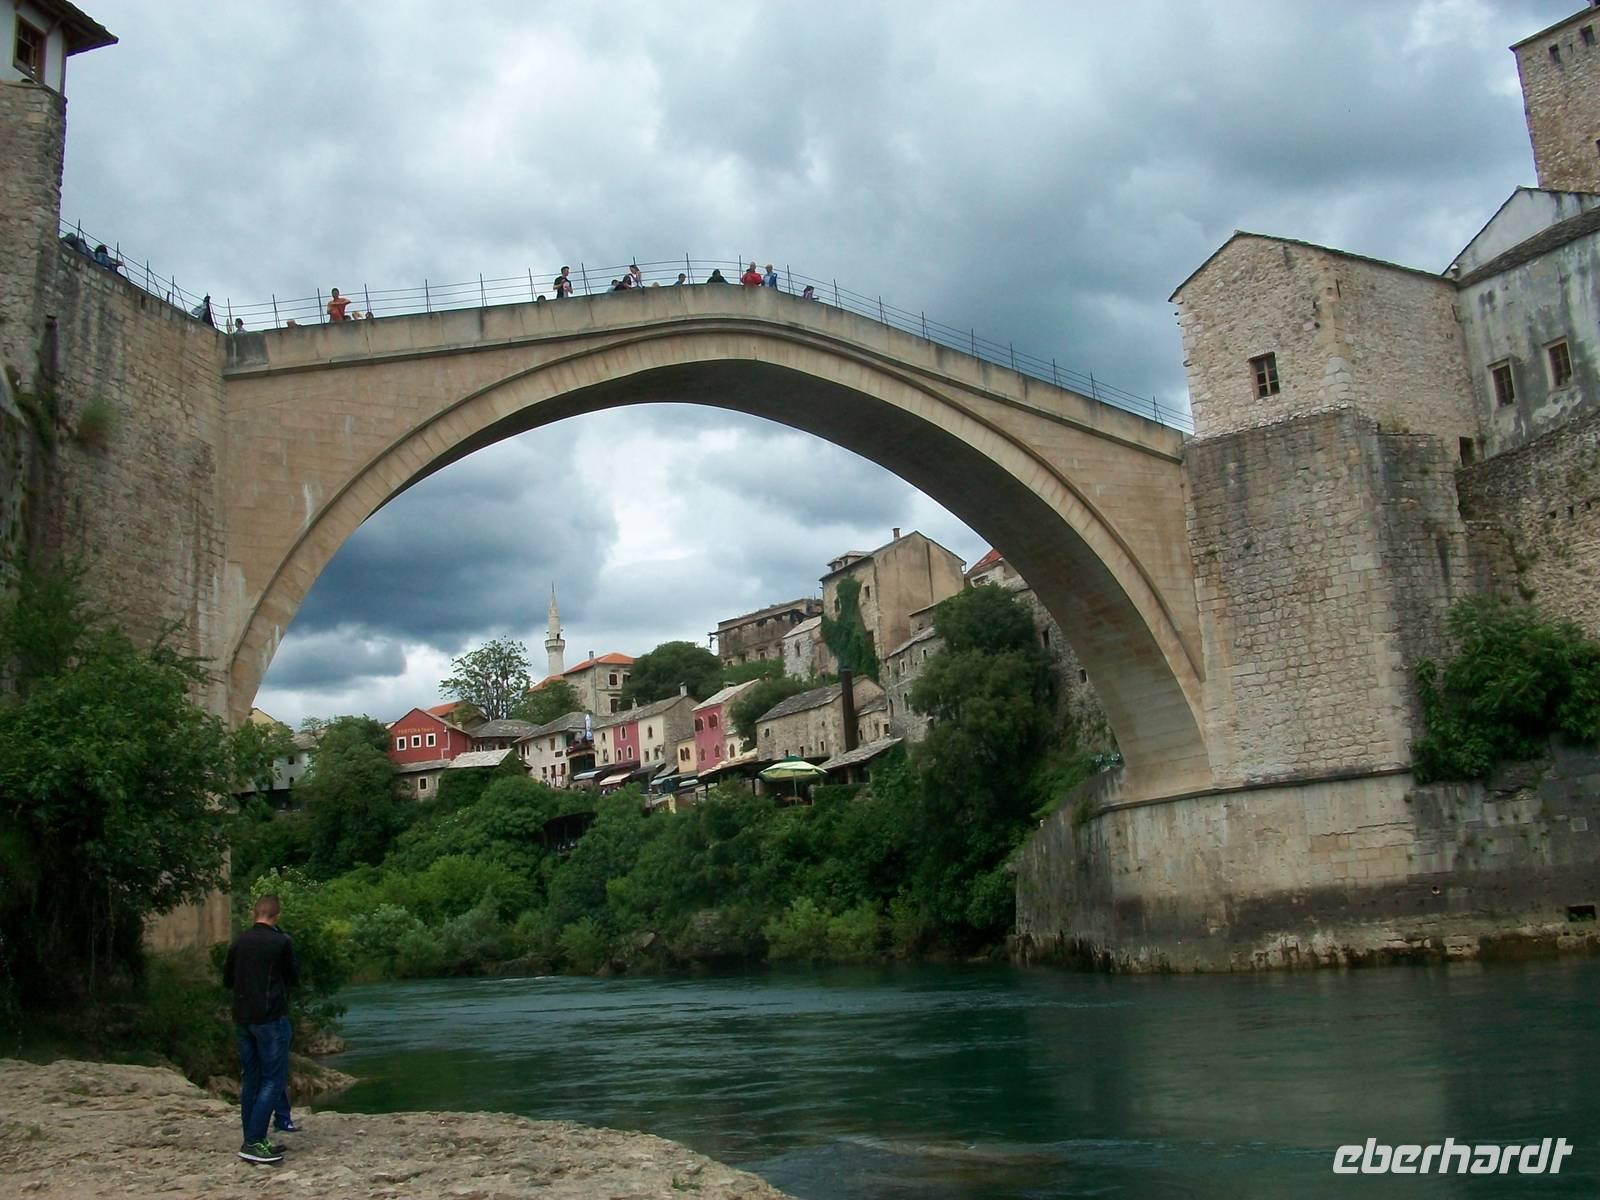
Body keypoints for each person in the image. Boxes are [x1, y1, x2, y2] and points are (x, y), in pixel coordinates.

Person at [222, 893, 299, 1165]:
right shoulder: (281, 942)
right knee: (273, 1079)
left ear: (254, 914)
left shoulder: (239, 942)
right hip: (270, 1017)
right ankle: (254, 1141)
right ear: (276, 915)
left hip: (243, 1018)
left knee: (251, 1079)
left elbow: (228, 979)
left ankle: (253, 1138)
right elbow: (293, 977)